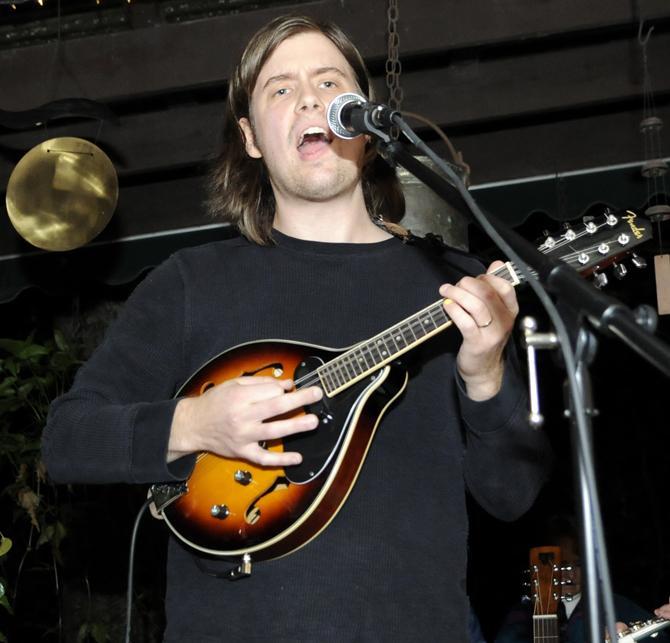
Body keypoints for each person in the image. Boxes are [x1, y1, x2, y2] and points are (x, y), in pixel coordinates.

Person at [42, 14, 551, 641]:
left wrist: (485, 373)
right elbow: (67, 439)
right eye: (280, 89)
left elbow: (512, 496)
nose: (310, 97)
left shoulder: (455, 285)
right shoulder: (189, 283)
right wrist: (196, 423)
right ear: (251, 137)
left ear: (366, 121)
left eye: (330, 82)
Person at [494, 515, 669, 643]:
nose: (569, 574)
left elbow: (660, 640)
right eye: (561, 565)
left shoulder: (614, 604)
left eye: (577, 564)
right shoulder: (524, 612)